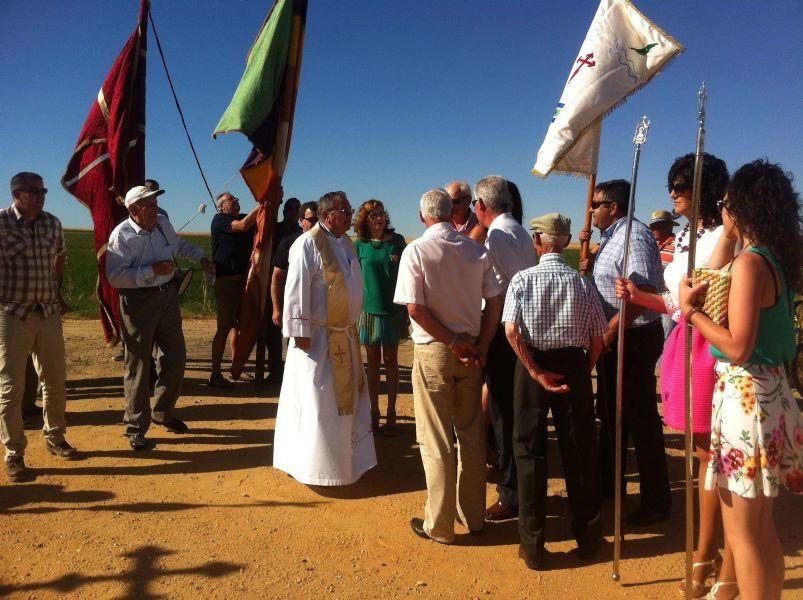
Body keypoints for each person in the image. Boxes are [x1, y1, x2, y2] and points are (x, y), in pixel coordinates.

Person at [679, 160, 802, 600]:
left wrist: (689, 314)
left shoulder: (750, 265)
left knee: (745, 536)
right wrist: (730, 234)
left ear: (739, 206)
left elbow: (736, 346)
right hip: (768, 397)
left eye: (724, 204)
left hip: (747, 401)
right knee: (761, 531)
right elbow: (712, 282)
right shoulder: (771, 261)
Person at [616, 153, 736, 596]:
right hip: (685, 342)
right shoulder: (688, 235)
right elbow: (675, 303)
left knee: (711, 458)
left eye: (681, 186)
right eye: (671, 185)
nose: (672, 193)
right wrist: (639, 296)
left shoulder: (725, 234)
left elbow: (705, 298)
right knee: (704, 454)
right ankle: (713, 554)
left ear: (702, 189)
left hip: (711, 346)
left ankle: (712, 557)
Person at [394, 188, 503, 544]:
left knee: (436, 439)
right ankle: (473, 517)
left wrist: (452, 341)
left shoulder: (417, 250)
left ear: (423, 215)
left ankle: (439, 525)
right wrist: (481, 344)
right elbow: (494, 301)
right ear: (450, 212)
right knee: (470, 435)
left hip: (437, 350)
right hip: (470, 350)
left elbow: (415, 310)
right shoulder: (475, 250)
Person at [504, 213, 606, 570]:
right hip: (572, 364)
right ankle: (589, 538)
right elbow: (599, 336)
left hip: (531, 364)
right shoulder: (582, 284)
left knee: (529, 452)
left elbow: (512, 331)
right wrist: (584, 369)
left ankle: (532, 544)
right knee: (579, 450)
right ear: (564, 243)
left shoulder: (522, 279)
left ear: (537, 240)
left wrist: (534, 369)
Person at [272, 191, 377, 486]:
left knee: (343, 406)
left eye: (349, 208)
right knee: (316, 404)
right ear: (327, 214)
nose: (349, 215)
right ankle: (314, 466)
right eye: (345, 210)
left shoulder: (346, 243)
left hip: (343, 335)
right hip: (317, 340)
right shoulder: (307, 243)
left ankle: (345, 462)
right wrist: (299, 332)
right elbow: (296, 289)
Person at [585, 179, 671, 526]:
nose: (591, 211)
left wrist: (611, 328)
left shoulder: (632, 236)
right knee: (610, 412)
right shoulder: (612, 236)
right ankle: (609, 485)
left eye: (596, 205)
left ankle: (656, 500)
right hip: (617, 336)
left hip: (630, 337)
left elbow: (644, 289)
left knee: (640, 420)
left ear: (613, 207)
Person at [106, 184, 215, 451]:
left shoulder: (163, 223)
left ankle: (163, 411)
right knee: (139, 365)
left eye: (155, 203)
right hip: (138, 301)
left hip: (168, 297)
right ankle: (135, 427)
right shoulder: (121, 236)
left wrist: (201, 258)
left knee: (176, 358)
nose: (156, 209)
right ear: (134, 210)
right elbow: (115, 276)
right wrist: (150, 270)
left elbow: (179, 245)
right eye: (150, 205)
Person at [1, 172, 77, 482]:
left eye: (43, 190)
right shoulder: (2, 224)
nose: (41, 194)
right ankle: (14, 452)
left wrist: (56, 292)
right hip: (12, 313)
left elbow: (58, 258)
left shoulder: (52, 223)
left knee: (55, 380)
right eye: (33, 190)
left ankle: (55, 438)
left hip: (47, 312)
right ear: (17, 193)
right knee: (11, 387)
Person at [473, 175, 535, 522]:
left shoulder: (498, 235)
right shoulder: (515, 230)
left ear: (481, 206)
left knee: (505, 415)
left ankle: (511, 495)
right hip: (513, 330)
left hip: (506, 331)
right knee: (509, 414)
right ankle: (515, 488)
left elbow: (515, 286)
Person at [353, 200, 407, 436]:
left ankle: (391, 414)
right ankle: (373, 413)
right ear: (365, 219)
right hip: (368, 311)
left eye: (381, 214)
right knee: (372, 363)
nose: (379, 218)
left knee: (392, 362)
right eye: (373, 215)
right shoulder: (359, 245)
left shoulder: (397, 242)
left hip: (393, 310)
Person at [209, 192, 259, 388]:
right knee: (224, 327)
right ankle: (215, 374)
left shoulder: (241, 216)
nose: (237, 201)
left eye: (237, 199)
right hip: (226, 282)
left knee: (238, 326)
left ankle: (235, 368)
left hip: (244, 281)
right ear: (221, 206)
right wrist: (262, 204)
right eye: (233, 200)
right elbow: (243, 225)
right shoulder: (219, 220)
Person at [260, 197, 302, 384]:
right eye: (290, 208)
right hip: (276, 282)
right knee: (273, 330)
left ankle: (294, 370)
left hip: (296, 286)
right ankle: (275, 369)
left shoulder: (303, 233)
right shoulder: (275, 230)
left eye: (296, 208)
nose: (293, 211)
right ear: (284, 211)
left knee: (295, 328)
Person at [270, 201, 318, 328]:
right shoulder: (289, 241)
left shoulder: (327, 244)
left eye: (318, 220)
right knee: (294, 339)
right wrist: (276, 308)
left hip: (318, 306)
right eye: (312, 220)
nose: (316, 224)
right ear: (301, 220)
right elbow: (277, 277)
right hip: (293, 300)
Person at [648, 209, 680, 339]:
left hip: (669, 297)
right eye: (652, 226)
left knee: (667, 330)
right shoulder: (652, 245)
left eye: (657, 226)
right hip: (652, 297)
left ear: (667, 226)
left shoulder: (678, 245)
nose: (653, 229)